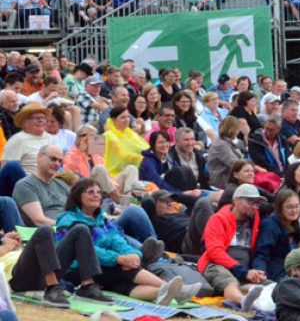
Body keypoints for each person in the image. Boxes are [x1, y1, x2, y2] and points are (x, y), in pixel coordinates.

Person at [57, 178, 200, 305]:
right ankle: (178, 291)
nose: (96, 195)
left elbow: (117, 239)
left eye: (99, 192)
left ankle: (163, 292)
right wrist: (118, 259)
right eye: (90, 192)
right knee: (124, 270)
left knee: (123, 284)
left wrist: (133, 255)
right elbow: (84, 251)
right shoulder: (69, 220)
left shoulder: (102, 218)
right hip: (78, 270)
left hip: (103, 268)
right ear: (77, 196)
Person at [197, 184, 267, 311]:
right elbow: (214, 252)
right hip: (215, 265)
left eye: (257, 203)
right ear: (236, 200)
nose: (254, 207)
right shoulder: (218, 219)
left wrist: (257, 270)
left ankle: (257, 300)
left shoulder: (255, 221)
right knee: (230, 282)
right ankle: (243, 302)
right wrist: (242, 270)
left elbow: (259, 251)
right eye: (250, 201)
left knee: (265, 285)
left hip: (242, 269)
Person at [253, 189, 300, 281]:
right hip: (277, 274)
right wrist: (261, 275)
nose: (294, 210)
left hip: (296, 273)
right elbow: (261, 254)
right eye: (289, 207)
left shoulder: (296, 226)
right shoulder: (270, 225)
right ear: (280, 208)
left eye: (297, 206)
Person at [103, 105, 148, 178]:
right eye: (122, 117)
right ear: (114, 120)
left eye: (128, 117)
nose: (127, 120)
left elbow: (144, 147)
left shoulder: (131, 133)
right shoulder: (107, 135)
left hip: (139, 167)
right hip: (115, 173)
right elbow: (121, 155)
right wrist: (142, 159)